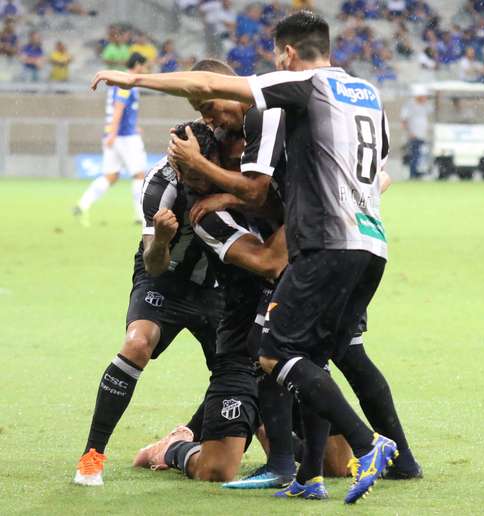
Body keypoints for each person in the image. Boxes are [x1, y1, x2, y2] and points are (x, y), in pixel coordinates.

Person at [91, 11, 402, 504]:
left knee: (278, 354)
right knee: (306, 361)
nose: (216, 123)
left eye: (216, 114)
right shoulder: (364, 93)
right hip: (369, 243)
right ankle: (304, 472)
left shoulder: (298, 92)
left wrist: (136, 79)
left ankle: (367, 446)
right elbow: (379, 171)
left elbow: (221, 93)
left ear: (287, 54)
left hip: (324, 246)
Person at [131, 122, 288, 484]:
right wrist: (311, 204)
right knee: (217, 471)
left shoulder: (274, 178)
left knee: (335, 463)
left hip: (285, 339)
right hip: (242, 342)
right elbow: (271, 264)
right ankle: (172, 448)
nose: (244, 151)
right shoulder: (207, 213)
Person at [73, 127, 227, 487]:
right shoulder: (160, 185)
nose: (180, 174)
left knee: (238, 368)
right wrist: (161, 238)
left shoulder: (228, 175)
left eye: (186, 167)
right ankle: (92, 457)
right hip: (164, 279)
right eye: (175, 165)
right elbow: (153, 263)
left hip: (215, 288)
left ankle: (184, 435)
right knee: (138, 343)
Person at [74, 53, 148, 226]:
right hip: (125, 137)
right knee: (139, 175)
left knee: (111, 176)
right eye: (144, 65)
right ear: (137, 64)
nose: (145, 69)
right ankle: (140, 216)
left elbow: (123, 109)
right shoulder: (126, 82)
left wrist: (113, 132)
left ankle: (83, 204)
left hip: (116, 134)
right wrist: (114, 133)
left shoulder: (119, 79)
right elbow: (119, 107)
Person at [400, 85, 433, 180]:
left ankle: (418, 173)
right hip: (413, 136)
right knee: (414, 155)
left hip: (422, 135)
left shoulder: (425, 105)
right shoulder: (409, 105)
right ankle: (413, 174)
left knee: (421, 155)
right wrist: (410, 133)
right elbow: (404, 120)